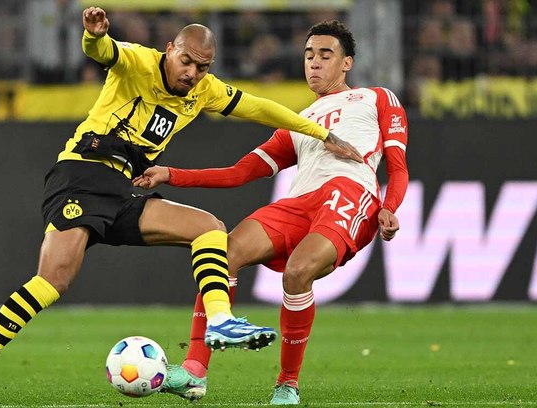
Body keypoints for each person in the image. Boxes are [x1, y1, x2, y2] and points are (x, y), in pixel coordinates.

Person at [0, 8, 362, 408]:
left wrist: (318, 133)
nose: (192, 74)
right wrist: (94, 35)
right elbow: (104, 52)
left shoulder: (203, 90)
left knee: (209, 227)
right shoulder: (138, 63)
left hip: (123, 188)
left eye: (202, 67)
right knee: (53, 281)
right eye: (186, 62)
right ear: (169, 50)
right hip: (82, 175)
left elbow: (259, 107)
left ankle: (219, 320)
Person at [134, 19, 410, 405]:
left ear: (346, 63)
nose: (314, 63)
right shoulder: (298, 122)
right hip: (299, 202)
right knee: (222, 253)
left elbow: (398, 166)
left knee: (298, 272)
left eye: (325, 55)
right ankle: (195, 371)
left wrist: (389, 207)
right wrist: (171, 174)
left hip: (349, 195)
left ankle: (287, 383)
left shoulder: (377, 98)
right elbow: (239, 173)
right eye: (309, 55)